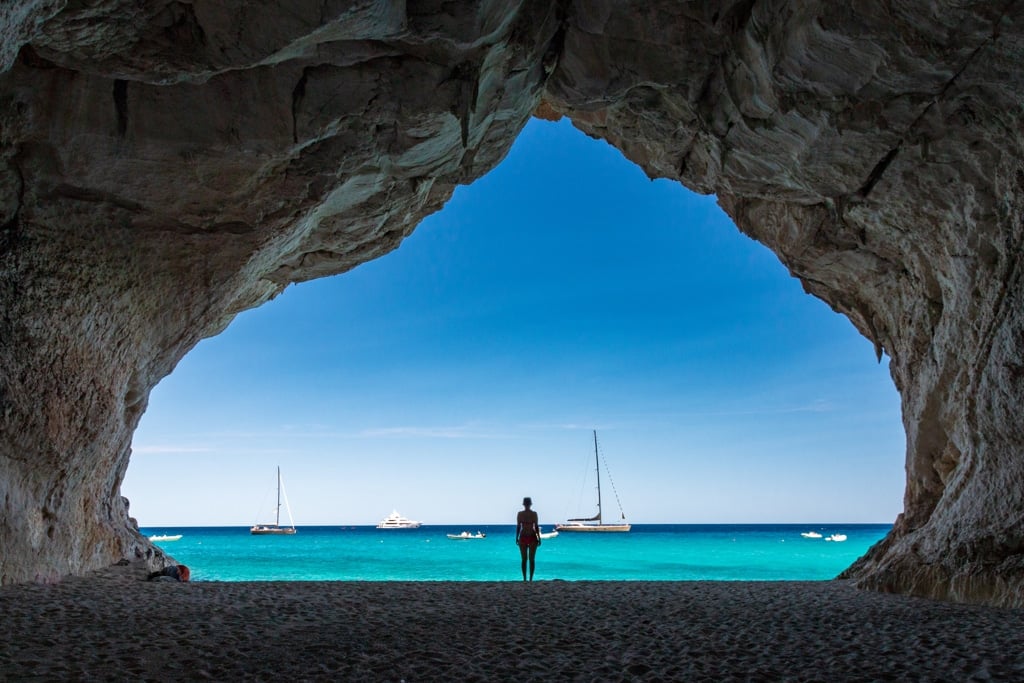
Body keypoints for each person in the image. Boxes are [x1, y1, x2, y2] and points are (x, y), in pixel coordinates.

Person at [515, 496, 541, 581]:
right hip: (531, 536)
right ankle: (529, 579)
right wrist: (539, 538)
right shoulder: (534, 514)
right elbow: (536, 527)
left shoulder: (520, 514)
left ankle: (526, 579)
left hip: (524, 536)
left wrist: (517, 537)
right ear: (530, 504)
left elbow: (519, 527)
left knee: (525, 560)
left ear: (524, 504)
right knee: (530, 559)